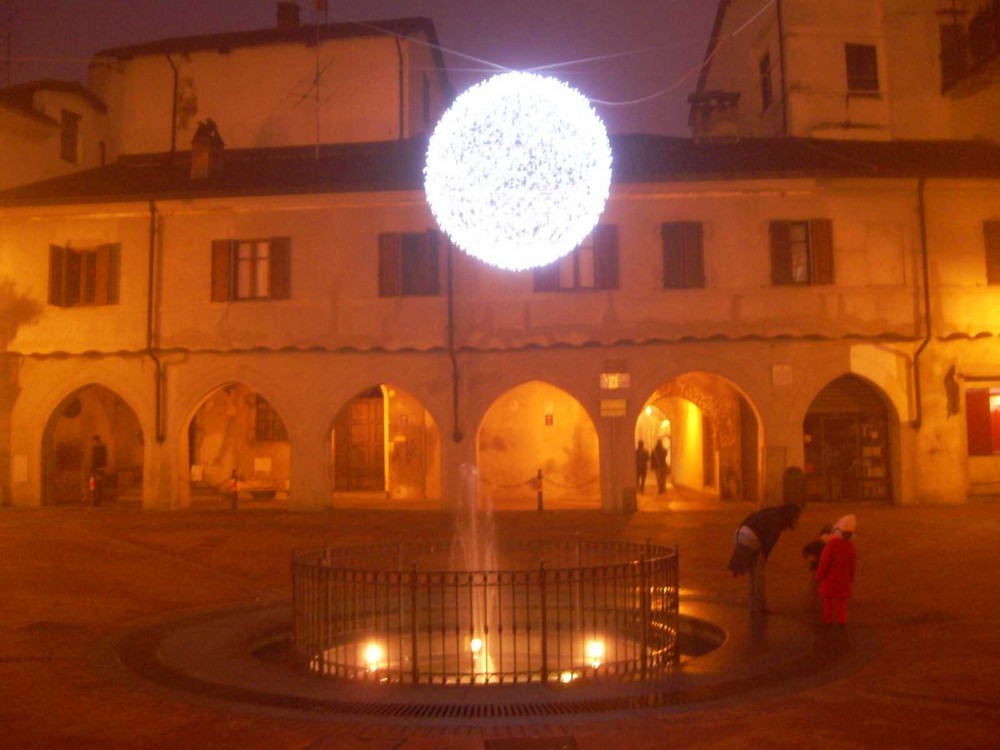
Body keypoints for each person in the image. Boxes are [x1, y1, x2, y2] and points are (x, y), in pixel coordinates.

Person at [727, 502, 802, 614]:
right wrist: (764, 556)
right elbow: (770, 541)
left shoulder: (770, 510)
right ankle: (759, 606)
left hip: (739, 533)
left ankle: (753, 605)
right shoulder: (779, 519)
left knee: (752, 574)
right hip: (751, 538)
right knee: (758, 576)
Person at [815, 514, 857, 626]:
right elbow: (852, 565)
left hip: (829, 579)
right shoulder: (851, 547)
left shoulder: (831, 545)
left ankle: (827, 619)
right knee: (841, 602)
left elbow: (824, 562)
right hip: (844, 580)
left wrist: (819, 575)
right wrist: (851, 578)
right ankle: (841, 620)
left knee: (827, 601)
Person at [90, 434, 108, 506]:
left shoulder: (97, 449)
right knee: (97, 486)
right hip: (99, 469)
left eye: (93, 441)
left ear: (96, 441)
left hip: (97, 470)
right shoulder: (102, 449)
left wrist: (93, 468)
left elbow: (95, 460)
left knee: (95, 486)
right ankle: (96, 500)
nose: (92, 443)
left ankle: (95, 501)